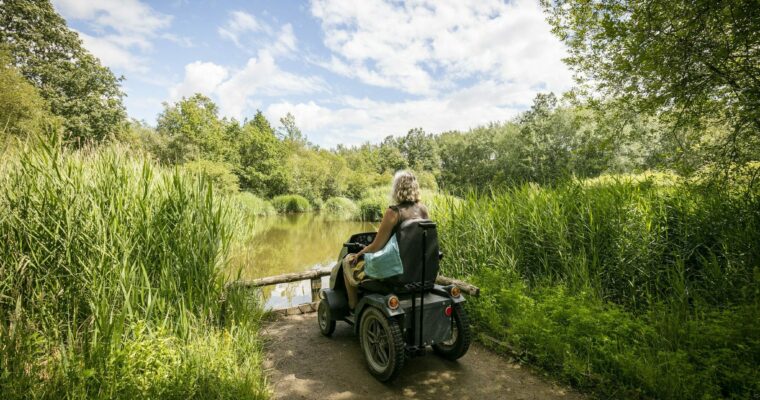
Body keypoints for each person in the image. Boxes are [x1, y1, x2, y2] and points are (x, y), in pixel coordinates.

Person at [342, 170, 429, 309]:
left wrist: (358, 254)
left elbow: (376, 247)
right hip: (417, 270)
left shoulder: (394, 212)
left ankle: (353, 306)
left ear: (397, 188)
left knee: (347, 261)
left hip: (396, 274)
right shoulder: (423, 210)